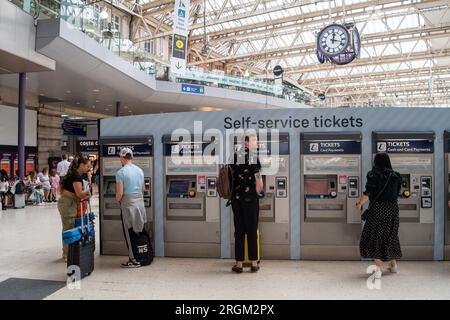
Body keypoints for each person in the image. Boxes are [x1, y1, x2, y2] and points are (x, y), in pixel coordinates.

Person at [357, 152, 403, 280]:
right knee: (390, 235)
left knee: (375, 236)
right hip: (393, 210)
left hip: (378, 209)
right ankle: (393, 265)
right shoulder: (396, 176)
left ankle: (377, 269)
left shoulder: (373, 175)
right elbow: (397, 194)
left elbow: (368, 193)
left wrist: (359, 203)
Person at [230, 135, 263, 273]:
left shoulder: (236, 156)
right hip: (250, 200)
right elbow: (258, 180)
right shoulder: (253, 157)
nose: (258, 142)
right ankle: (254, 264)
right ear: (247, 142)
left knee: (239, 231)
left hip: (236, 200)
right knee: (251, 231)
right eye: (255, 140)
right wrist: (259, 191)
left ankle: (239, 265)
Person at [115, 147, 148, 268]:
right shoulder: (140, 170)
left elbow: (120, 193)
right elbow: (143, 189)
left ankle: (134, 259)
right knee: (139, 230)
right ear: (131, 157)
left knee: (129, 232)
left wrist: (118, 200)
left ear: (122, 158)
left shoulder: (121, 173)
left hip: (128, 204)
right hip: (140, 203)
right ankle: (142, 255)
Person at [57, 154, 91, 262]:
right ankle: (67, 255)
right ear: (81, 165)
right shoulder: (76, 176)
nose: (88, 168)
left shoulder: (75, 175)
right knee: (68, 229)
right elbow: (80, 194)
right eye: (87, 166)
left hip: (68, 203)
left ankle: (68, 253)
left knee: (69, 227)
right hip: (68, 204)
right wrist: (88, 190)